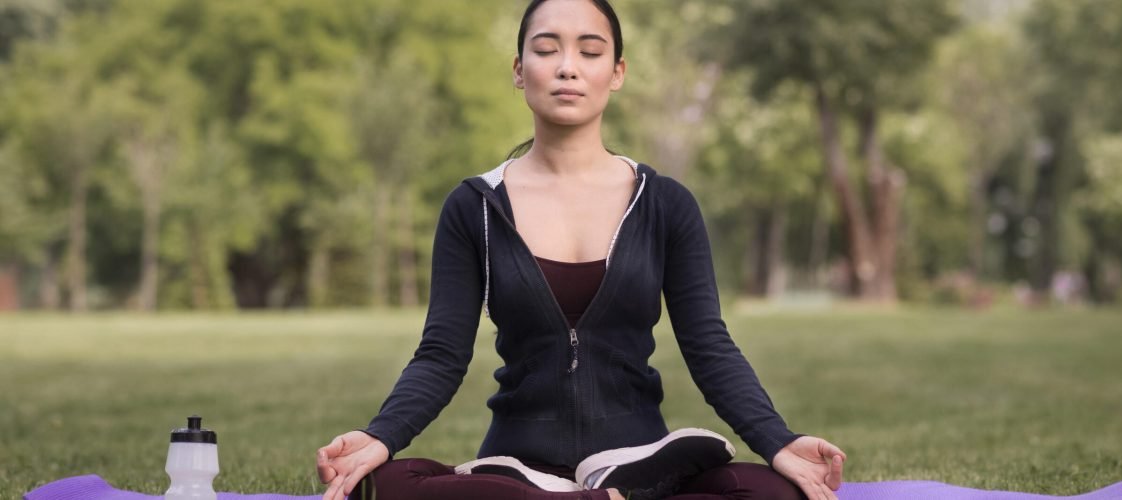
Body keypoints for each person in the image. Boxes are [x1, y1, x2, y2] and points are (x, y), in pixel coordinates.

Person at [315, 0, 846, 498]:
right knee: (384, 484)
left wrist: (777, 441)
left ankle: (615, 486)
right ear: (520, 70)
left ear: (617, 72)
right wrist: (379, 437)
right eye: (546, 50)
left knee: (775, 491)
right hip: (516, 466)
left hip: (641, 453)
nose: (568, 67)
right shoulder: (473, 207)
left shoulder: (665, 204)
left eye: (590, 52)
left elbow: (709, 346)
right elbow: (442, 356)